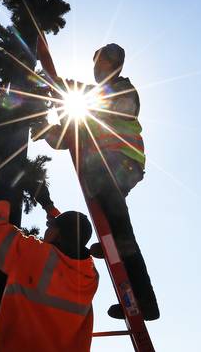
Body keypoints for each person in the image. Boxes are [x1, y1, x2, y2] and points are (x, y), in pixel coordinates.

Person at [39, 43, 160, 321]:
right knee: (117, 231)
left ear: (111, 63)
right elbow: (71, 139)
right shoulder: (99, 103)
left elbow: (98, 102)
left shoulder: (122, 90)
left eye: (99, 61)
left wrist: (61, 85)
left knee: (122, 232)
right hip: (114, 167)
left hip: (119, 164)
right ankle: (139, 295)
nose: (95, 67)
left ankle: (146, 300)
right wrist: (45, 130)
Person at [0, 199, 99, 352]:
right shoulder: (90, 276)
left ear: (57, 233)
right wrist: (55, 216)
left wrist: (4, 200)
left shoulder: (39, 256)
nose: (46, 231)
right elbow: (72, 240)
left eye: (50, 228)